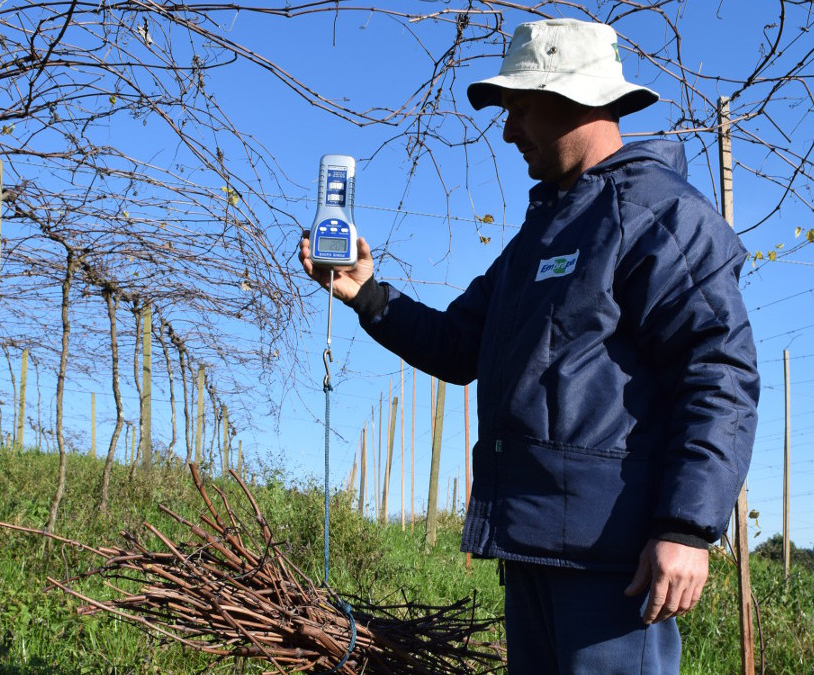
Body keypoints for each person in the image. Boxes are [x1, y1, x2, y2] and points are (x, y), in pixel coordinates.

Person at [300, 18, 759, 674]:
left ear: (574, 97)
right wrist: (366, 293)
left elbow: (718, 373)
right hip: (534, 551)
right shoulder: (536, 242)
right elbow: (460, 345)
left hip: (613, 565)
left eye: (517, 108)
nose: (509, 131)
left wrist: (686, 526)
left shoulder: (661, 217)